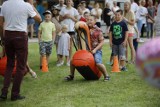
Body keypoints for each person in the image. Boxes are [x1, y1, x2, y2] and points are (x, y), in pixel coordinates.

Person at [0, 0, 41, 101]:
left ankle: (4, 92)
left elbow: (1, 23)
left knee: (9, 65)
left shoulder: (4, 4)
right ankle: (15, 94)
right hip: (20, 36)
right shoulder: (26, 5)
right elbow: (39, 19)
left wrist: (2, 38)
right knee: (21, 67)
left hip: (8, 35)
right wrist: (32, 5)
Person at [64, 15, 110, 81]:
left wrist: (95, 50)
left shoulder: (98, 30)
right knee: (72, 61)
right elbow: (78, 27)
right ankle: (71, 75)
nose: (89, 21)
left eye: (91, 20)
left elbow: (102, 42)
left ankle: (106, 75)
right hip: (86, 51)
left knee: (98, 62)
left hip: (96, 50)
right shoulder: (84, 29)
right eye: (88, 20)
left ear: (95, 21)